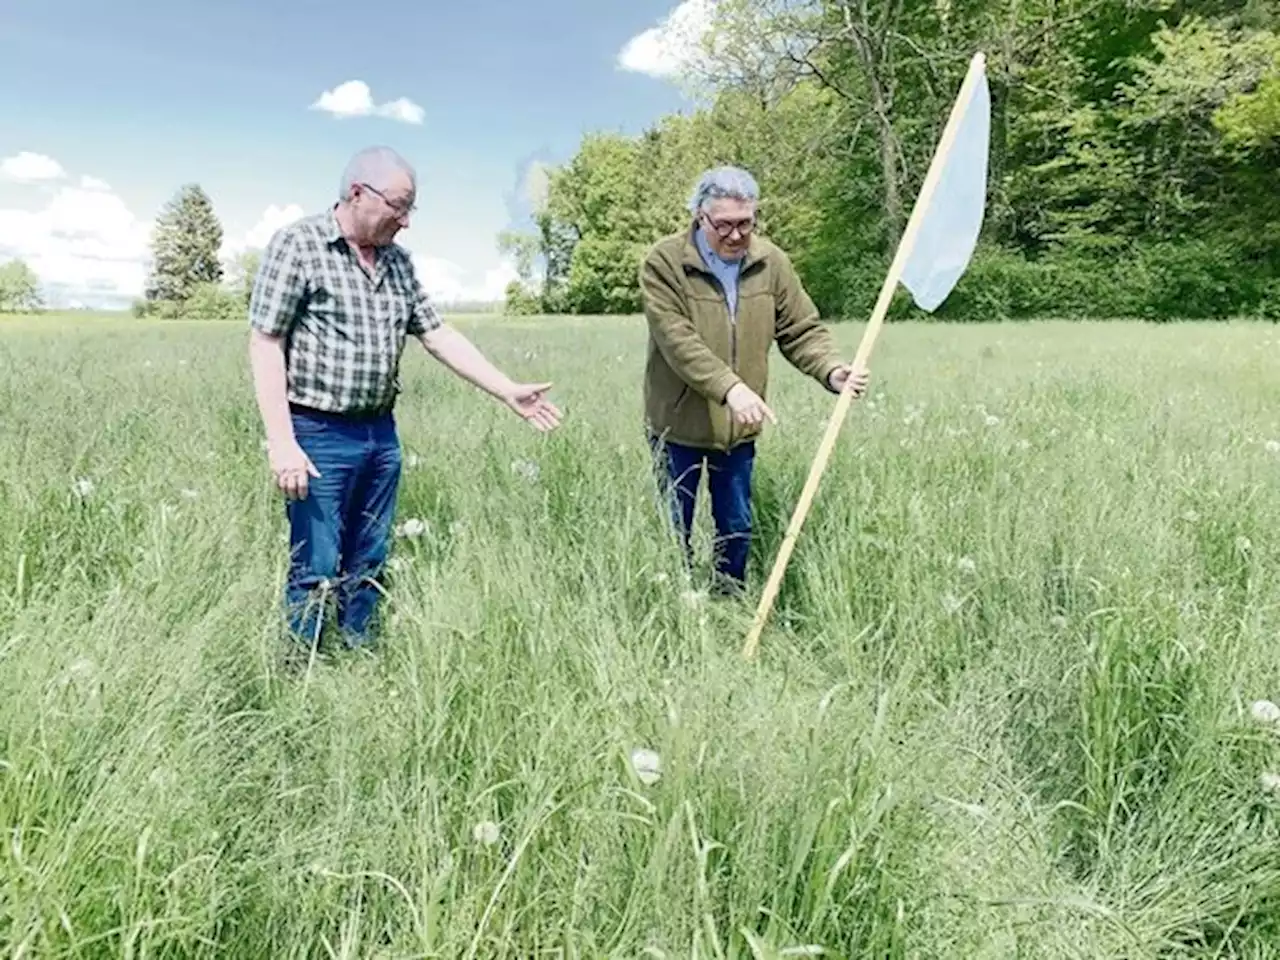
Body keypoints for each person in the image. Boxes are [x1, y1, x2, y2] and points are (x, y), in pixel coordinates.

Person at [248, 145, 562, 655]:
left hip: (380, 433)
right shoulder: (299, 245)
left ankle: (358, 656)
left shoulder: (397, 263)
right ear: (357, 193)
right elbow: (266, 341)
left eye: (410, 208)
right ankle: (298, 673)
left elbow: (437, 334)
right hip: (317, 433)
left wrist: (507, 390)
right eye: (399, 206)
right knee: (317, 565)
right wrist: (281, 442)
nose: (406, 221)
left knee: (369, 557)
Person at [639, 165, 869, 595]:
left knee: (737, 527)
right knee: (674, 526)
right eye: (723, 224)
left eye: (745, 223)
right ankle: (676, 604)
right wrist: (730, 388)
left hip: (740, 428)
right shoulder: (664, 262)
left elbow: (800, 329)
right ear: (699, 217)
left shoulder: (771, 262)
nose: (735, 235)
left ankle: (731, 601)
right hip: (677, 425)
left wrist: (832, 369)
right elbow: (677, 341)